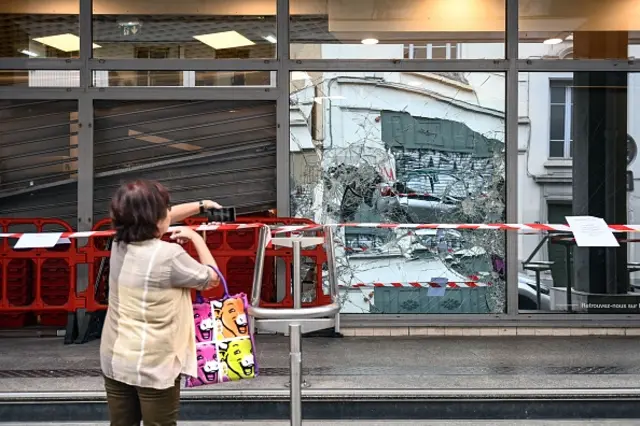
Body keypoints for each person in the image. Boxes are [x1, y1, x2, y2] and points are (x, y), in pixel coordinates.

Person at [100, 179, 222, 426]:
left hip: (116, 357)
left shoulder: (118, 243)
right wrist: (195, 238)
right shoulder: (169, 256)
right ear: (155, 218)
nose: (170, 213)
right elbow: (212, 278)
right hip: (155, 364)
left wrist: (201, 206)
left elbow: (152, 217)